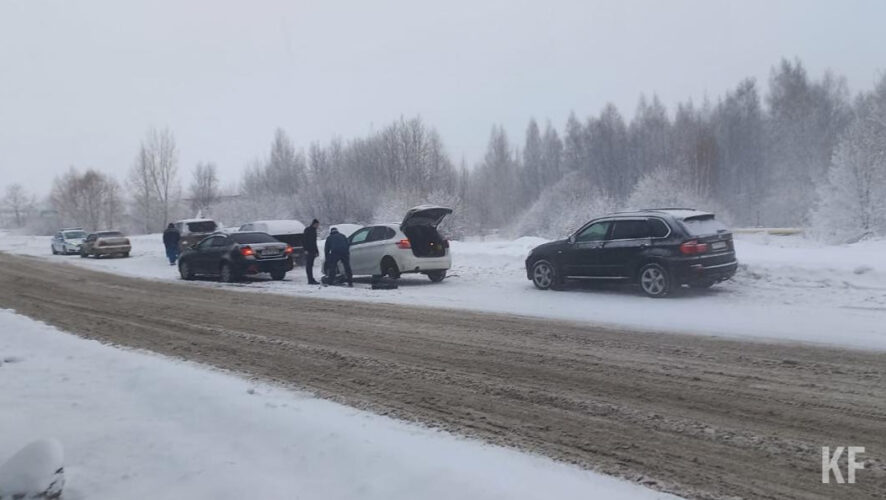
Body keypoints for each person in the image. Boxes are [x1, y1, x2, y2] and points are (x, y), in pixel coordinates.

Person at [302, 219, 320, 285]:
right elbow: (304, 240)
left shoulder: (314, 231)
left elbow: (314, 242)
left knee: (311, 265)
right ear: (314, 224)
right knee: (309, 265)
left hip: (313, 250)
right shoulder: (308, 230)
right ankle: (310, 279)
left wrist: (316, 251)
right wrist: (305, 249)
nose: (318, 226)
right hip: (308, 250)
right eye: (317, 224)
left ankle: (311, 279)